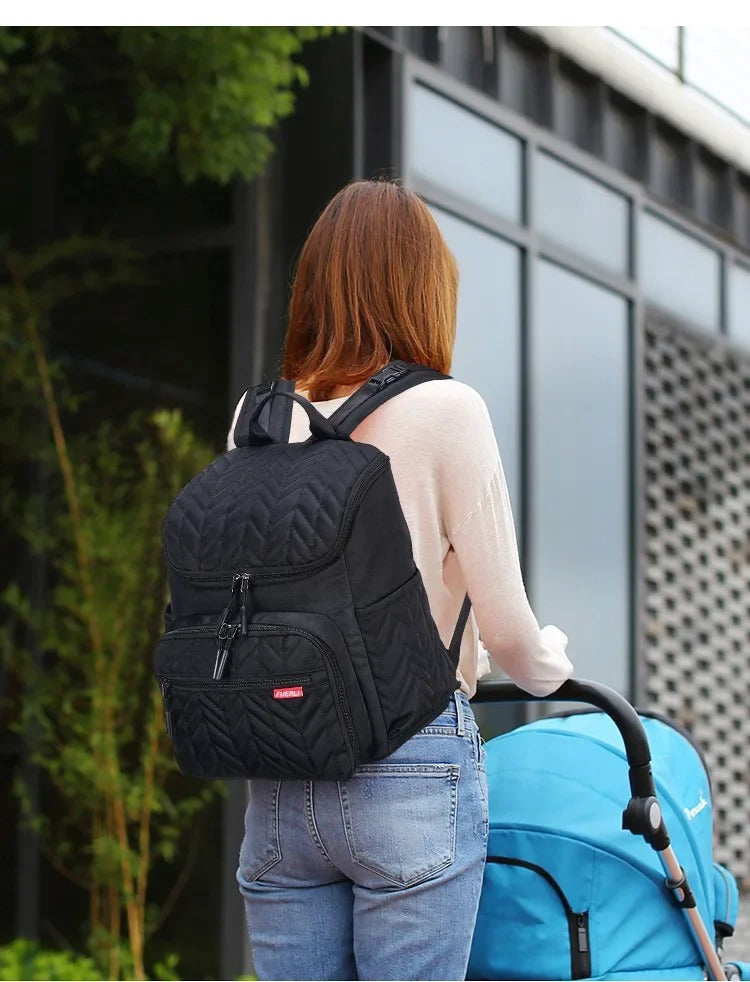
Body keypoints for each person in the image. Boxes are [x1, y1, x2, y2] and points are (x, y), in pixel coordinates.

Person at [228, 180, 573, 982]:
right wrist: (552, 660)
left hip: (281, 773)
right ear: (424, 287)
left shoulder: (261, 415)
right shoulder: (448, 410)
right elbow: (516, 642)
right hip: (410, 765)